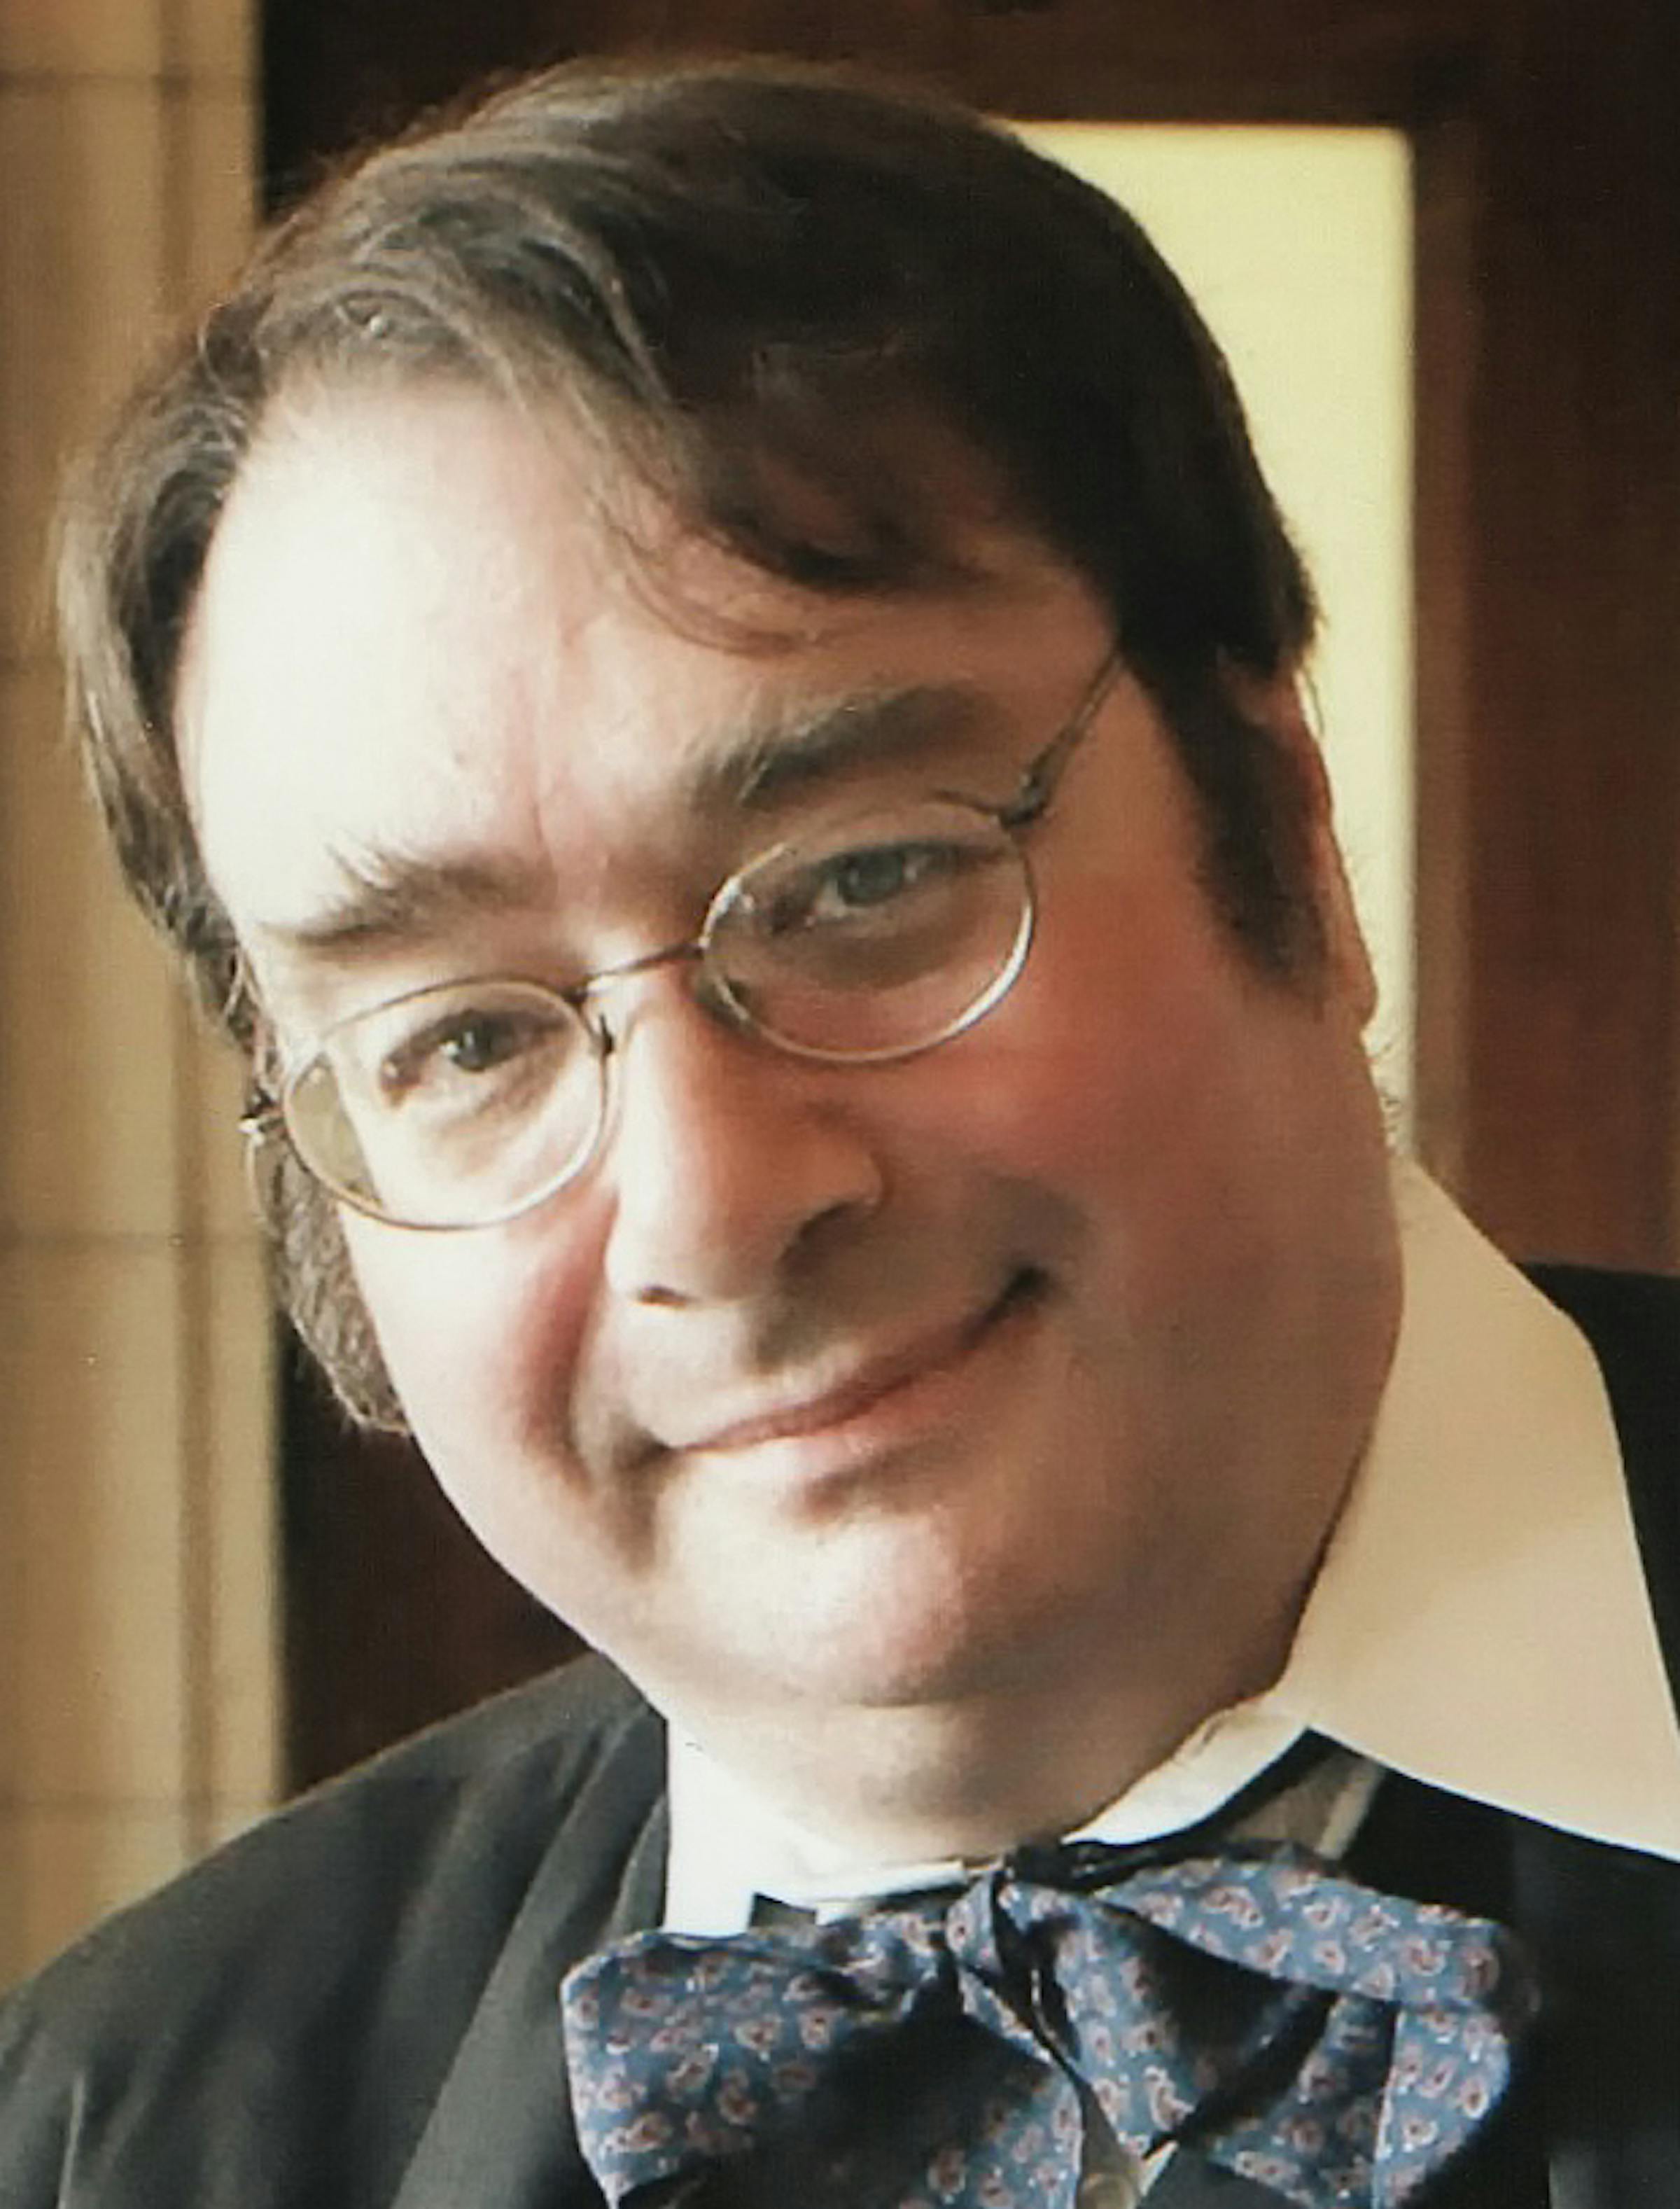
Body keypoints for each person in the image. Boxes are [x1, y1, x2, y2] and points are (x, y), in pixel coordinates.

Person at [2, 52, 1677, 2209]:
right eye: (463, 1039)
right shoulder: (109, 2130)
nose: (715, 1203)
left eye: (866, 880)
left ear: (1291, 829)